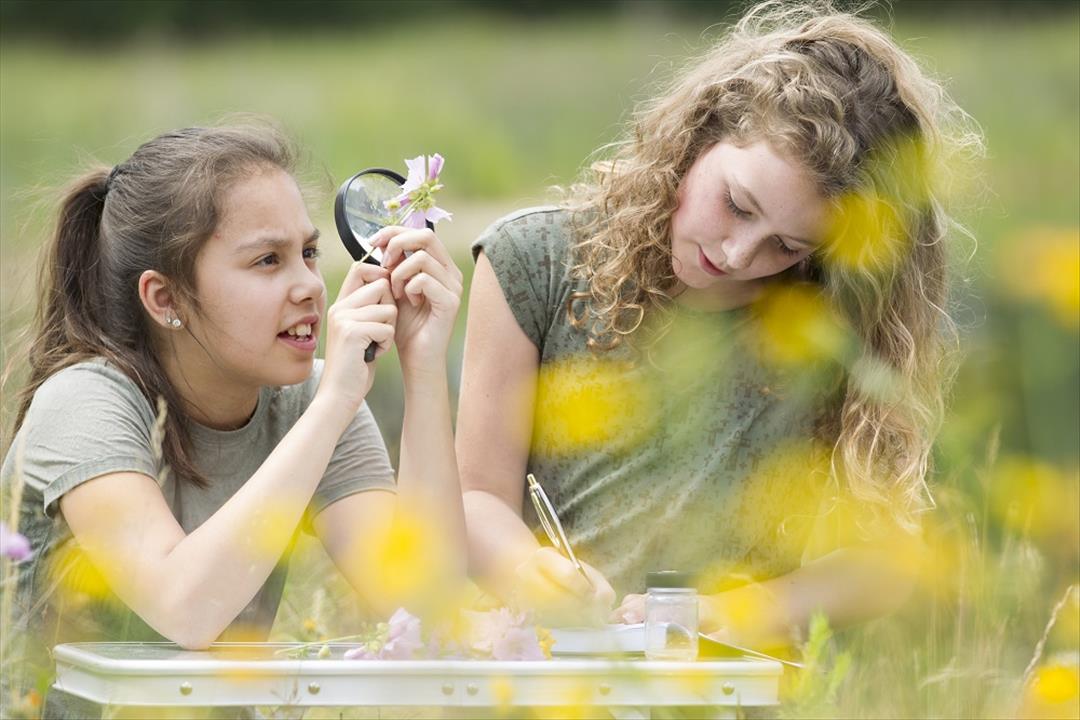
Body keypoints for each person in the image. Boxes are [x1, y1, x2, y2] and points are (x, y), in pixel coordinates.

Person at [456, 1, 981, 647]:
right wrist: (529, 571)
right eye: (736, 204)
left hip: (732, 678)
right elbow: (476, 493)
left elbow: (883, 564)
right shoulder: (535, 261)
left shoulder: (825, 321)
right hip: (556, 670)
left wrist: (731, 613)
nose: (739, 255)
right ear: (701, 134)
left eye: (788, 246)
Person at [0, 121, 465, 715]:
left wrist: (423, 370)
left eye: (309, 252)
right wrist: (333, 404)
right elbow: (184, 608)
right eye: (267, 261)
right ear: (164, 299)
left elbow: (426, 607)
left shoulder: (317, 398)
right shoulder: (83, 403)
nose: (310, 287)